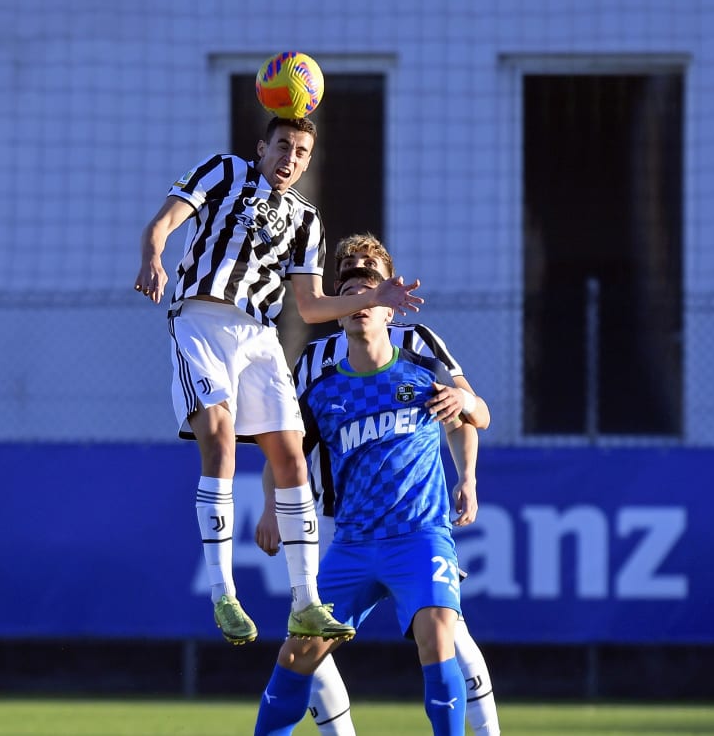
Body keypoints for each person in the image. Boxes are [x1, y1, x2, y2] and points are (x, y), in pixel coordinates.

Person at [135, 117, 425, 645]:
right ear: (262, 148)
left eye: (301, 151)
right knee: (219, 440)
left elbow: (312, 307)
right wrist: (153, 257)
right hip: (201, 318)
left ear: (308, 161)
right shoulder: (223, 171)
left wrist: (374, 297)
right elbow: (163, 223)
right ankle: (224, 594)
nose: (290, 157)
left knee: (291, 456)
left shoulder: (307, 219)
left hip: (260, 334)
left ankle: (306, 602)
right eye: (283, 146)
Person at [257, 233, 501, 735]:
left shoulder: (418, 351)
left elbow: (472, 413)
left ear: (391, 302)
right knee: (301, 648)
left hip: (417, 533)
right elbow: (288, 451)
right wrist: (269, 508)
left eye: (370, 285)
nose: (360, 301)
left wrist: (468, 476)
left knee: (444, 633)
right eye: (348, 288)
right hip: (346, 533)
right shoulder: (320, 373)